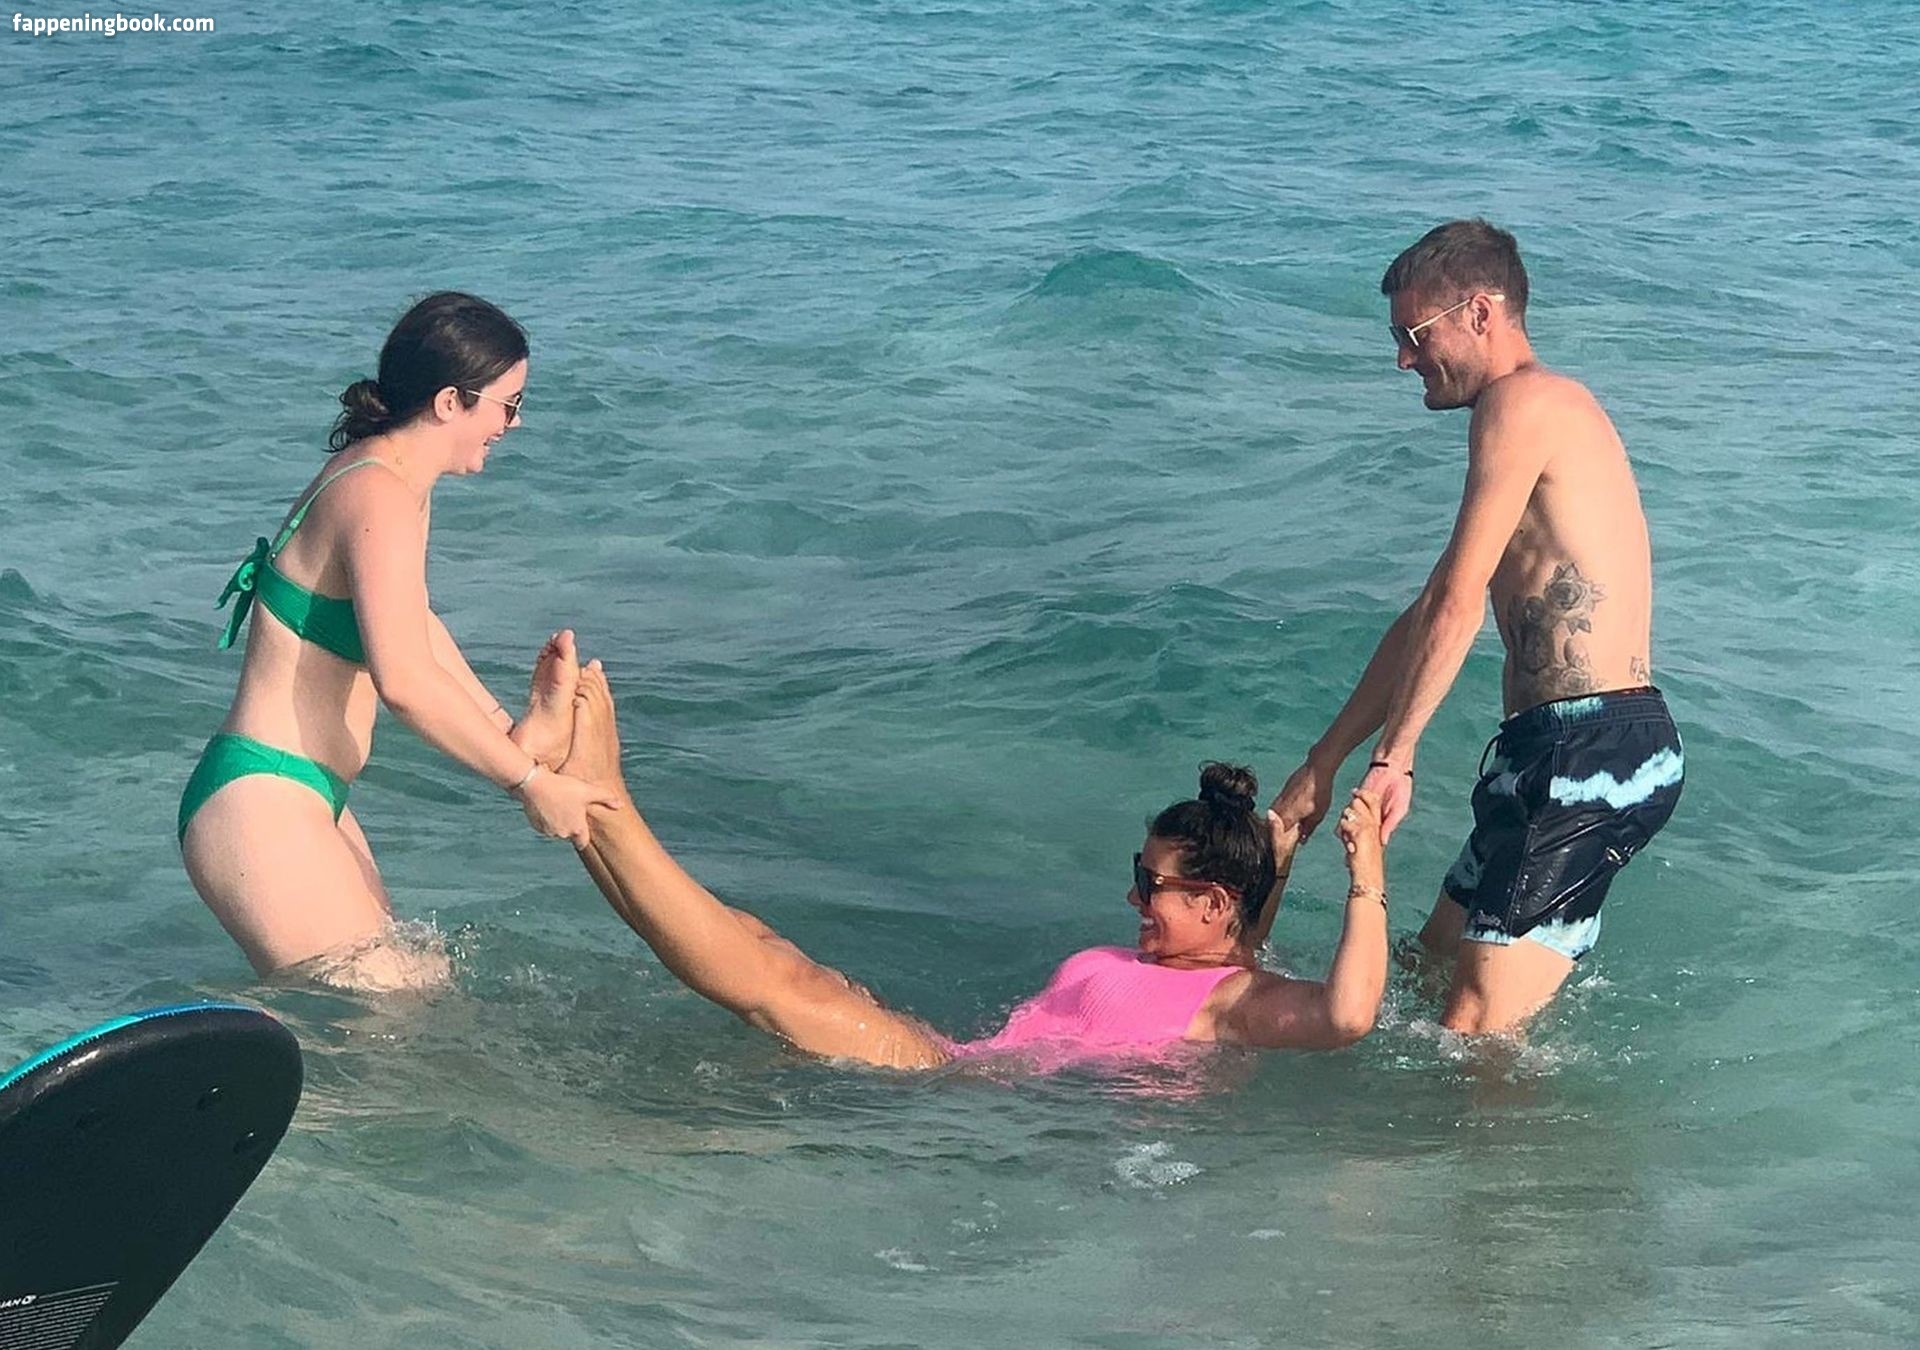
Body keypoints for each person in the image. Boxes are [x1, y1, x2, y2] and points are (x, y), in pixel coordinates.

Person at [548, 659, 1391, 1070]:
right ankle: (585, 816)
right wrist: (1281, 855)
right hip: (956, 1057)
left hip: (964, 1097)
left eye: (1151, 885)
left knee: (776, 985)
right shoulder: (1195, 954)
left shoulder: (1232, 1006)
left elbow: (1346, 1015)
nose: (1133, 896)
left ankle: (606, 802)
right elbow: (1242, 931)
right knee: (756, 938)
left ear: (1212, 902)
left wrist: (1366, 877)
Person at [1269, 219, 1683, 1035]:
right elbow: (1432, 611)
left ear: (1481, 313)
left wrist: (1394, 759)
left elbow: (1461, 605)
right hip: (1545, 750)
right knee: (1425, 979)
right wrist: (1326, 759)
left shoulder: (1523, 403)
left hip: (1592, 750)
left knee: (1472, 1030)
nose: (1403, 359)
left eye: (1414, 335)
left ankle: (1518, 1127)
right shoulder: (1521, 417)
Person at [179, 292, 615, 990]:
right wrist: (528, 783)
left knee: (414, 992)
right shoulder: (377, 492)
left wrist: (509, 728)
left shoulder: (400, 481)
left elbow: (417, 626)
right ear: (450, 402)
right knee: (388, 1018)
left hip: (303, 795)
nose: (514, 422)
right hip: (259, 802)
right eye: (508, 404)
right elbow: (405, 682)